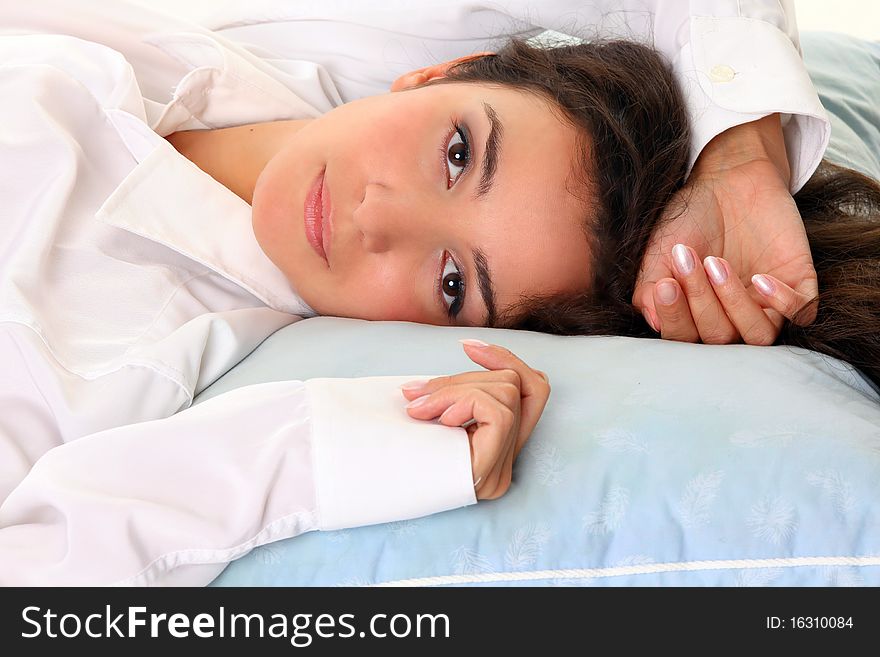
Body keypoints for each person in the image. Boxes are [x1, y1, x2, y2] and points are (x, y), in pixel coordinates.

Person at [0, 0, 835, 585]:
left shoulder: (122, 362)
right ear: (440, 72)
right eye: (460, 155)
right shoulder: (318, 46)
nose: (376, 216)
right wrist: (742, 154)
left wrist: (335, 447)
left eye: (450, 281)